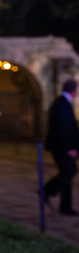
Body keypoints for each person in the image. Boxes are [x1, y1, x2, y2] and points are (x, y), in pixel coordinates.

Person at [44, 78, 79, 216]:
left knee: (67, 174)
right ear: (74, 91)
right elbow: (63, 129)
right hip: (62, 148)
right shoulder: (63, 104)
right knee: (70, 172)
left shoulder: (61, 102)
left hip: (61, 147)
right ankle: (47, 189)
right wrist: (69, 148)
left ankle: (65, 207)